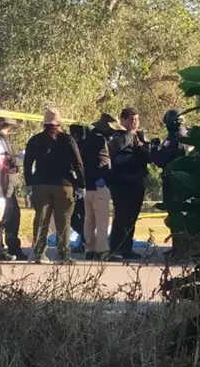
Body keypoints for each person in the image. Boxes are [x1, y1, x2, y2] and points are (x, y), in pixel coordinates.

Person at [23, 108, 85, 264]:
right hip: (64, 185)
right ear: (59, 123)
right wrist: (81, 184)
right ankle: (63, 255)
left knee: (41, 219)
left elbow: (27, 163)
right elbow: (78, 163)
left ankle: (39, 253)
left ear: (44, 124)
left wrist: (29, 183)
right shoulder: (68, 139)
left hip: (41, 184)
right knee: (63, 221)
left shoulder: (35, 140)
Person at [108, 107, 150, 260]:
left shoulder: (139, 137)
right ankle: (116, 248)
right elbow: (115, 159)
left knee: (132, 217)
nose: (135, 123)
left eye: (136, 120)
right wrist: (132, 158)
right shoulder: (119, 138)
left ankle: (127, 247)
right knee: (122, 216)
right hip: (122, 182)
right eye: (131, 120)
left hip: (136, 181)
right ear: (123, 120)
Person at [152, 109, 192, 261]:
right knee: (183, 214)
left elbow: (161, 159)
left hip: (173, 182)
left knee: (175, 215)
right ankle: (180, 248)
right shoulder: (189, 137)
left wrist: (153, 147)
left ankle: (180, 250)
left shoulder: (173, 139)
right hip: (187, 182)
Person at [0, 118, 28, 261]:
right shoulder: (1, 139)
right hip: (6, 182)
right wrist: (21, 159)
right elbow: (8, 159)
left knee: (4, 215)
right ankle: (5, 248)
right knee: (9, 216)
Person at [81, 113, 117, 261]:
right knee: (102, 221)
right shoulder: (100, 140)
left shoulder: (87, 139)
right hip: (99, 186)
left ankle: (90, 249)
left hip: (88, 186)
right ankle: (102, 250)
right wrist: (99, 177)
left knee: (89, 219)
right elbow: (94, 162)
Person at [68, 124, 88, 253]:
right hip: (81, 185)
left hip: (79, 186)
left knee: (75, 217)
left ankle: (85, 240)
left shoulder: (77, 147)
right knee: (81, 217)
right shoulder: (85, 146)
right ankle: (84, 240)